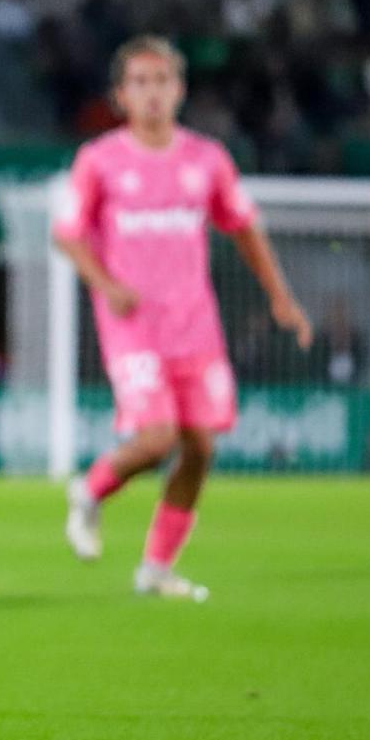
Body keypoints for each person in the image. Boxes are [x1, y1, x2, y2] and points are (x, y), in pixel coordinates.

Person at [55, 35, 312, 599]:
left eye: (163, 81)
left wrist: (280, 296)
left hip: (195, 325)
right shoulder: (100, 161)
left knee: (200, 447)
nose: (152, 93)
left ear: (180, 89)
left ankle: (156, 569)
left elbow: (245, 227)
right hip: (132, 324)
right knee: (156, 439)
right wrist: (106, 285)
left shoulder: (207, 159)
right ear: (121, 94)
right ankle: (91, 490)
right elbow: (68, 234)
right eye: (140, 82)